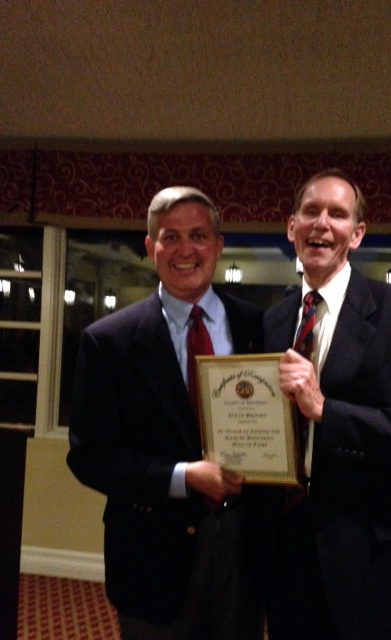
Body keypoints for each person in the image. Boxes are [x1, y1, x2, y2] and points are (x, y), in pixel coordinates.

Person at [263, 169, 391, 640]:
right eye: (310, 211)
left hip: (378, 566)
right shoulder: (274, 321)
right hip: (290, 560)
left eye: (337, 214)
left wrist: (326, 410)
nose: (322, 223)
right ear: (291, 227)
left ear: (356, 234)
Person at [67, 186, 272, 640]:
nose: (185, 250)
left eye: (198, 236)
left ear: (218, 245)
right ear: (150, 247)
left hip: (244, 552)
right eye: (171, 237)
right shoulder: (109, 341)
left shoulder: (259, 327)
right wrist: (183, 476)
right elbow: (90, 457)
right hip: (151, 557)